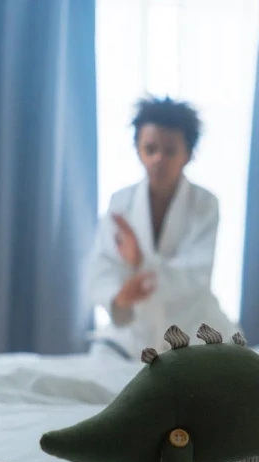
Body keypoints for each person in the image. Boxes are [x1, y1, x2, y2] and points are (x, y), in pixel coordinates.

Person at [86, 96, 235, 360]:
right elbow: (102, 268)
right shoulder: (121, 202)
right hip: (132, 333)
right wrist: (120, 297)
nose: (158, 159)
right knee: (99, 367)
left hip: (195, 328)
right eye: (150, 148)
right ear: (138, 150)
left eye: (169, 151)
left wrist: (142, 262)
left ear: (187, 154)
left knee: (221, 375)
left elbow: (196, 275)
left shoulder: (205, 204)